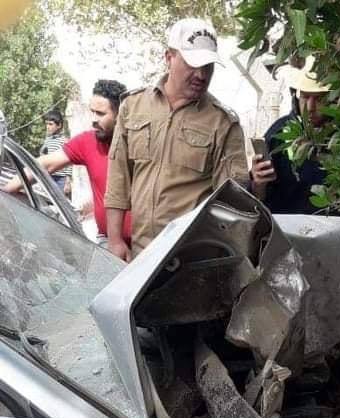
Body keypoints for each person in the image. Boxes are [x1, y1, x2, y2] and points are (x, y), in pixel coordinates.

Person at [105, 18, 250, 261]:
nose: (201, 75)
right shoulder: (133, 106)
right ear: (169, 57)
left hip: (192, 260)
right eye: (193, 64)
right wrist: (115, 239)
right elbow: (118, 175)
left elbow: (233, 202)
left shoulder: (223, 123)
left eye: (208, 66)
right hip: (141, 254)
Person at [3, 80, 131, 247]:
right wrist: (6, 191)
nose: (93, 120)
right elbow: (44, 165)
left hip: (145, 242)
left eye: (100, 114)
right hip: (107, 242)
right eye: (92, 112)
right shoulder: (88, 142)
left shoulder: (138, 145)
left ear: (120, 114)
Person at [252, 63, 340, 216]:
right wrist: (258, 184)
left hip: (334, 227)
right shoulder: (279, 133)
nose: (310, 107)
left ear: (333, 100)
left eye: (319, 99)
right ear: (296, 97)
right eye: (305, 97)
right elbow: (258, 199)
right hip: (286, 227)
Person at [40, 110, 72, 195]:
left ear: (59, 125)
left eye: (50, 124)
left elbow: (69, 161)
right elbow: (44, 155)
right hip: (49, 175)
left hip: (61, 178)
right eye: (46, 124)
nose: (47, 127)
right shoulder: (48, 140)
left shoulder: (64, 141)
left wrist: (68, 181)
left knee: (59, 199)